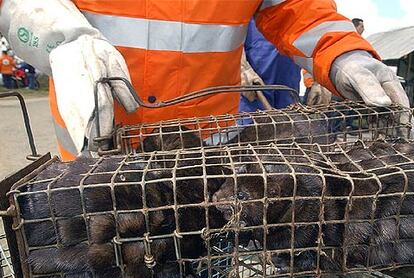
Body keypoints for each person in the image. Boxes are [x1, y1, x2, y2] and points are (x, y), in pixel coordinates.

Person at [0, 1, 408, 161]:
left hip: (206, 164)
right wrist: (63, 39)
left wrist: (342, 52)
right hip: (100, 156)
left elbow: (297, 8)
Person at [240, 19, 301, 112]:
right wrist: (242, 68)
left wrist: (316, 81)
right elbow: (229, 31)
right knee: (252, 121)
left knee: (289, 119)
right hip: (255, 77)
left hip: (288, 76)